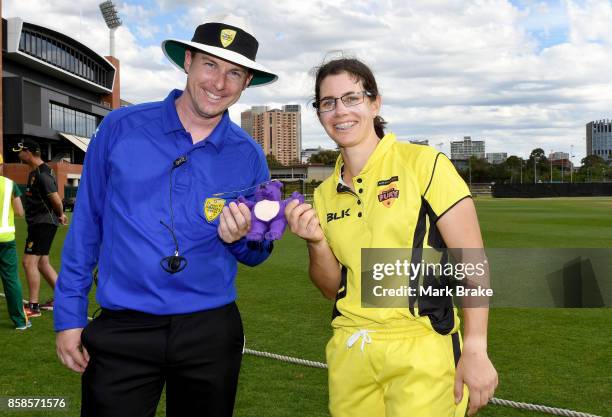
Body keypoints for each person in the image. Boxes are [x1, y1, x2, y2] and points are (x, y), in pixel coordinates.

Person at [54, 15, 278, 417]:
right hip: (123, 328)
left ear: (246, 83)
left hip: (209, 332)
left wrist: (244, 237)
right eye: (210, 65)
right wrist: (69, 315)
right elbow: (87, 226)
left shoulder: (250, 156)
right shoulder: (121, 127)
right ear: (187, 61)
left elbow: (261, 249)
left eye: (234, 73)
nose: (219, 82)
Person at [286, 58, 498, 417]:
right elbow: (331, 288)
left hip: (422, 350)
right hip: (351, 351)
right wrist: (316, 243)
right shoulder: (323, 194)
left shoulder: (424, 163)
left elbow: (471, 258)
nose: (340, 111)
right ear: (319, 113)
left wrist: (476, 349)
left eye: (352, 98)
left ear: (374, 103)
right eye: (328, 102)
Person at [14, 138, 67, 318]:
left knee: (28, 262)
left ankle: (33, 307)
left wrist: (60, 214)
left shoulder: (43, 174)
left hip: (42, 223)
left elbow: (56, 199)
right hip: (40, 223)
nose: (18, 154)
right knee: (42, 263)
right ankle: (64, 300)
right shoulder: (36, 172)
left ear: (29, 152)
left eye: (20, 151)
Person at [0, 154, 30, 330]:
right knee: (11, 280)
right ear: (2, 166)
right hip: (6, 240)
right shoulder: (9, 184)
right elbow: (20, 212)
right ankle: (20, 321)